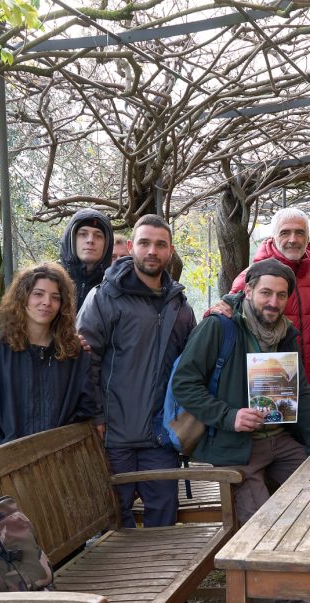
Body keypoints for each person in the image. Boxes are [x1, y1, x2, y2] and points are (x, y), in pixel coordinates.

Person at [170, 259, 310, 603]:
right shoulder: (219, 326)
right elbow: (185, 384)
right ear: (248, 290)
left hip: (279, 440)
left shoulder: (286, 333)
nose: (272, 301)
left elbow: (302, 395)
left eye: (280, 294)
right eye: (265, 292)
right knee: (263, 521)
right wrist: (229, 415)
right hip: (234, 449)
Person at [77, 214, 195, 528]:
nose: (152, 251)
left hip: (160, 437)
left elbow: (191, 367)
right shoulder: (103, 297)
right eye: (144, 243)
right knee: (114, 521)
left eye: (160, 244)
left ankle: (163, 576)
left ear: (170, 251)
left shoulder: (179, 307)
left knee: (163, 521)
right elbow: (86, 361)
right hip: (114, 435)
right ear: (131, 247)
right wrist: (96, 416)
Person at [0, 263, 99, 455]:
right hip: (6, 469)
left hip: (61, 465)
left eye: (55, 297)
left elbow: (85, 413)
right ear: (23, 297)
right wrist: (8, 457)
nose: (46, 302)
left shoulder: (73, 354)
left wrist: (61, 450)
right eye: (38, 294)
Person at [227, 208, 310, 401]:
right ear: (273, 236)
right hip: (267, 391)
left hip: (309, 389)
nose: (293, 239)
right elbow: (224, 321)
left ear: (307, 237)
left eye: (300, 232)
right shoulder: (252, 276)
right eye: (285, 232)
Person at [60, 208, 114, 308]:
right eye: (83, 234)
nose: (90, 240)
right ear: (72, 239)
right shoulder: (52, 280)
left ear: (106, 244)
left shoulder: (114, 287)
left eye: (98, 236)